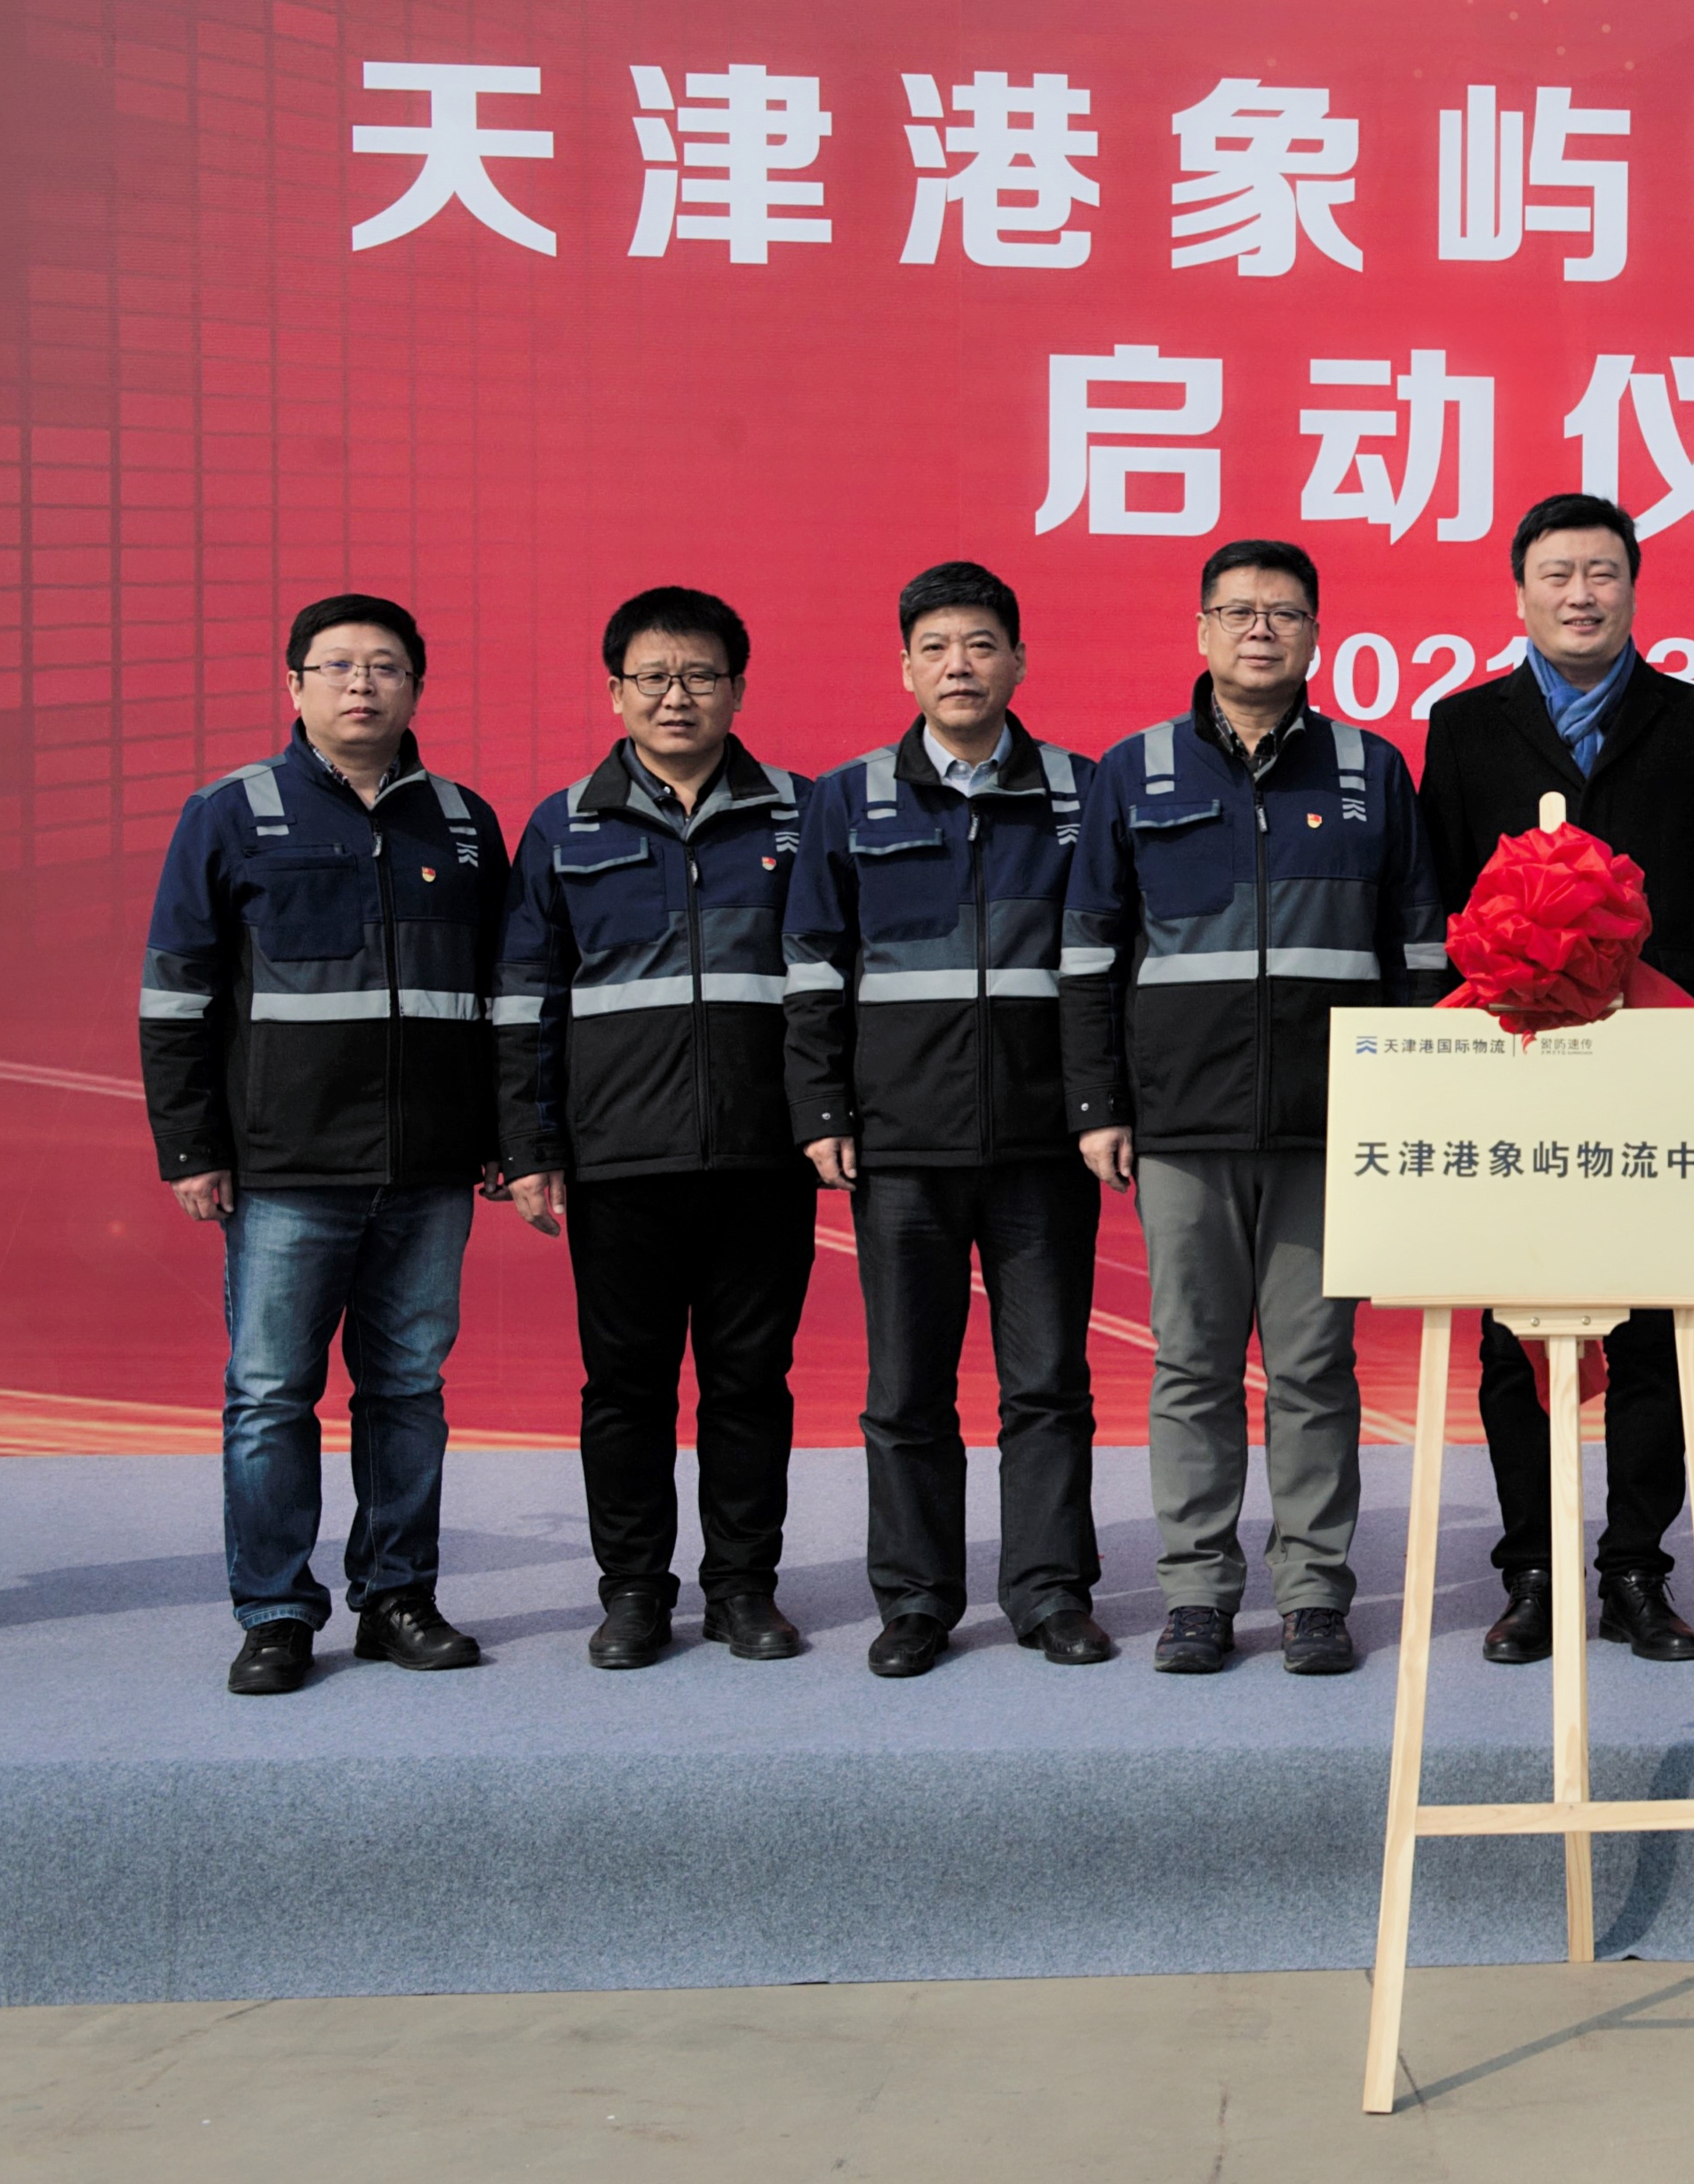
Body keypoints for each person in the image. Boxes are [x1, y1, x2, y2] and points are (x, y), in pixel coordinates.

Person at [1064, 540, 1445, 1678]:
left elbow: (1417, 948)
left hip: (1331, 1125)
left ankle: (1313, 1592)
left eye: (1283, 612)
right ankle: (1195, 1592)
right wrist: (1098, 1103)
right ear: (1201, 631)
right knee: (1189, 1365)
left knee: (1314, 1367)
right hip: (1181, 1125)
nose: (1260, 630)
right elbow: (1087, 951)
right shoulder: (1135, 771)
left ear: (1316, 633)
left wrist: (1406, 1100)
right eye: (1237, 611)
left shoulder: (1369, 768)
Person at [1417, 491, 1694, 1666]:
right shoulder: (1464, 726)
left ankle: (1633, 1569)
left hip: (1652, 1073)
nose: (1581, 594)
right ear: (1519, 593)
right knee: (1510, 1335)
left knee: (1653, 1329)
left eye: (1602, 573)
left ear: (1632, 588)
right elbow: (1437, 904)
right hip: (1510, 1073)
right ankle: (1530, 1570)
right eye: (1558, 574)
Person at [141, 594, 511, 1695]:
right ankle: (274, 1610)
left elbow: (502, 996)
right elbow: (176, 996)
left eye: (385, 665)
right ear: (294, 684)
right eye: (338, 665)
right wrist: (191, 1146)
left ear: (416, 686)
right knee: (270, 1395)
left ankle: (398, 1596)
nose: (362, 683)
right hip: (286, 1167)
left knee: (408, 1390)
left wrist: (503, 1133)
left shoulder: (462, 819)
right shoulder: (231, 812)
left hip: (430, 1168)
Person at [783, 562, 1105, 1680]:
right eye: (935, 647)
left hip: (1042, 1142)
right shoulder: (848, 797)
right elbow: (812, 962)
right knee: (906, 1388)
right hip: (901, 1141)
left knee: (1047, 1383)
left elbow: (1107, 961)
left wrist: (1096, 1107)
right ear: (905, 668)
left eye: (979, 644)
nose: (958, 665)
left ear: (1017, 661)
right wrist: (822, 1106)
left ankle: (1050, 1591)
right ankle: (915, 1598)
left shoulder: (1080, 792)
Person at [495, 588, 817, 1670]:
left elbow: (838, 980)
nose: (676, 696)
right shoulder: (562, 824)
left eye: (699, 676)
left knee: (749, 1382)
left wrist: (828, 1122)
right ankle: (633, 1591)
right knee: (624, 1388)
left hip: (762, 1154)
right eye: (653, 677)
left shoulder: (801, 813)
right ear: (615, 692)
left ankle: (743, 1587)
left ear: (737, 687)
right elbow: (526, 997)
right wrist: (531, 1143)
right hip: (619, 1157)